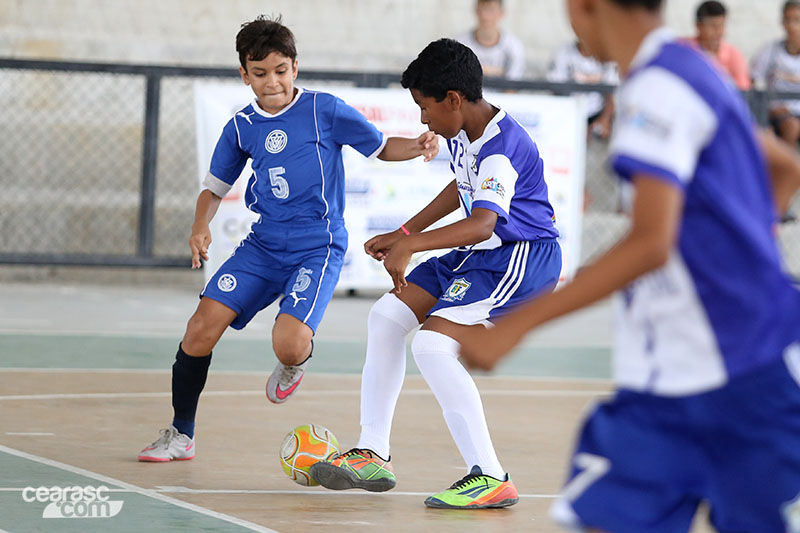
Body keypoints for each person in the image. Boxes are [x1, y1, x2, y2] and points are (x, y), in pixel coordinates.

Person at [459, 0, 800, 531]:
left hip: (732, 374)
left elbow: (649, 243)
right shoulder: (695, 72)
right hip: (693, 371)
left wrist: (515, 326)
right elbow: (785, 166)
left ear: (585, 6)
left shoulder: (655, 86)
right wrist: (746, 245)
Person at [137, 15, 439, 462]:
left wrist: (416, 146)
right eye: (260, 73)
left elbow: (378, 146)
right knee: (199, 328)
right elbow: (214, 189)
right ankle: (182, 434)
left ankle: (294, 360)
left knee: (289, 342)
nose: (271, 81)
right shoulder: (241, 126)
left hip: (317, 247)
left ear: (295, 68)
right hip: (262, 246)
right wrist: (200, 225)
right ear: (244, 74)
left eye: (280, 71)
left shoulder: (325, 109)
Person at [309, 38, 562, 510]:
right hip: (481, 251)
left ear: (453, 99)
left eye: (424, 108)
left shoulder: (502, 146)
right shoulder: (466, 130)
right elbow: (461, 187)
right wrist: (406, 230)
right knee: (386, 318)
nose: (422, 120)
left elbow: (485, 220)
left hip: (518, 258)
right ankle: (373, 451)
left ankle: (489, 475)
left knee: (432, 345)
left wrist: (411, 245)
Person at [752, 0, 800, 145]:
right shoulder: (770, 51)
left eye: (797, 20)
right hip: (778, 110)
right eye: (788, 20)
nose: (791, 26)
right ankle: (787, 167)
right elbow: (753, 81)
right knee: (792, 126)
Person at [683, 1, 750, 90]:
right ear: (698, 26)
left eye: (721, 26)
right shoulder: (684, 49)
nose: (718, 32)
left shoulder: (734, 55)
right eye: (713, 26)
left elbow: (743, 91)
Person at [456, 0, 526, 80]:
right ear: (476, 11)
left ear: (502, 13)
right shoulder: (460, 44)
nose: (485, 16)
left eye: (491, 10)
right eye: (482, 9)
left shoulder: (514, 46)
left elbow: (512, 86)